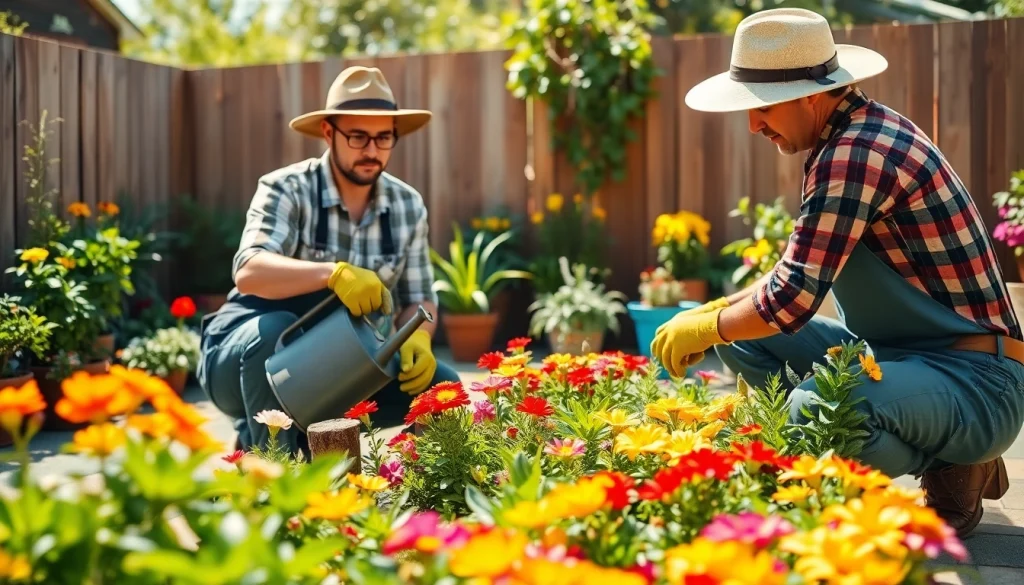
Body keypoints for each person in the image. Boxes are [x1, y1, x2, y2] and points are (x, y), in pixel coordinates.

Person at [651, 8, 1024, 538]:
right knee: (745, 342)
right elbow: (794, 270)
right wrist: (718, 315)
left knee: (816, 409)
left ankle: (952, 458)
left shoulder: (856, 153)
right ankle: (938, 450)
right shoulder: (847, 137)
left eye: (761, 107)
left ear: (810, 93)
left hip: (980, 381)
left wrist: (707, 326)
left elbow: (790, 301)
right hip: (898, 361)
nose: (753, 124)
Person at [197, 66, 461, 457]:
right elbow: (249, 270)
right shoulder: (286, 188)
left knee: (444, 388)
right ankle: (275, 477)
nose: (372, 150)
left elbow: (419, 298)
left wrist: (418, 335)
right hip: (240, 359)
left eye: (384, 137)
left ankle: (423, 501)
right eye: (357, 136)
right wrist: (332, 274)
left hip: (338, 370)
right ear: (328, 133)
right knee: (273, 329)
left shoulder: (408, 205)